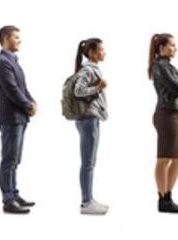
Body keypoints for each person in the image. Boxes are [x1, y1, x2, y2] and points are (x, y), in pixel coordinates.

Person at [0, 25, 36, 214]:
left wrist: (32, 102)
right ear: (5, 39)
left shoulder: (13, 61)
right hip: (11, 117)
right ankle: (8, 199)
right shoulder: (2, 62)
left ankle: (14, 193)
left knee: (15, 159)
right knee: (9, 159)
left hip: (20, 117)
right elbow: (12, 90)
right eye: (16, 37)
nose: (20, 40)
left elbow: (22, 87)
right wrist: (27, 105)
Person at [149, 33, 178, 214]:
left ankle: (168, 195)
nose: (175, 48)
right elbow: (177, 88)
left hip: (176, 114)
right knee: (164, 157)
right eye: (172, 45)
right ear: (161, 48)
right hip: (166, 114)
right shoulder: (159, 66)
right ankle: (163, 199)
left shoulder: (169, 66)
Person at [71, 37, 110, 215]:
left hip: (90, 118)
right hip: (88, 119)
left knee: (90, 161)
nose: (104, 52)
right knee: (88, 161)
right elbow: (78, 91)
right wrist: (98, 88)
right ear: (92, 53)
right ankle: (86, 202)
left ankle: (89, 199)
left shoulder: (91, 68)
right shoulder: (88, 70)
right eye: (101, 50)